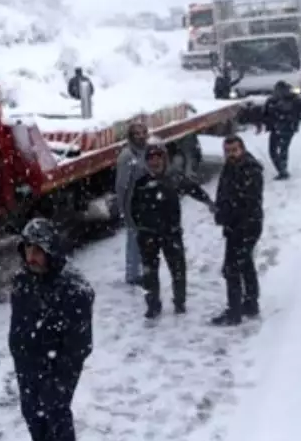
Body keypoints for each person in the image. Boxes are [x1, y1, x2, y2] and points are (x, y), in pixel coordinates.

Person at [9, 218, 95, 441]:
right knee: (31, 411)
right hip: (27, 362)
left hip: (59, 366)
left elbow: (80, 343)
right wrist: (18, 352)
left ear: (50, 251)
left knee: (57, 415)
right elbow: (19, 322)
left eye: (38, 251)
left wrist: (60, 375)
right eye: (27, 249)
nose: (31, 257)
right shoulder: (22, 280)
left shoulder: (74, 288)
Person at [130, 140, 216, 318]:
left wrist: (208, 202)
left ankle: (180, 302)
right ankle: (153, 305)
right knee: (149, 274)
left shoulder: (174, 177)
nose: (155, 162)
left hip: (171, 233)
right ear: (147, 162)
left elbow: (194, 189)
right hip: (148, 235)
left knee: (178, 269)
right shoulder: (141, 182)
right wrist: (140, 227)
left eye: (158, 158)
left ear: (164, 160)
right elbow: (133, 207)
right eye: (151, 159)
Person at [212, 135, 265, 326]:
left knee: (232, 268)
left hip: (245, 226)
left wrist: (228, 216)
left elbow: (246, 202)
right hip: (237, 225)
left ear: (242, 149)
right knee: (245, 263)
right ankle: (250, 303)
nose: (231, 154)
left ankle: (234, 312)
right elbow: (224, 193)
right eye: (227, 151)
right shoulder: (231, 167)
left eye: (234, 150)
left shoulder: (250, 169)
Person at [113, 119, 149, 285]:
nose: (141, 136)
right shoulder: (127, 156)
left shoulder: (145, 151)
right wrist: (124, 209)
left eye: (143, 133)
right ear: (131, 137)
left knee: (143, 239)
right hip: (132, 205)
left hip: (144, 204)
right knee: (134, 240)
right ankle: (132, 275)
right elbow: (122, 186)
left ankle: (140, 271)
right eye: (137, 134)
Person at [255, 80, 301, 179]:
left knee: (274, 150)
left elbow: (264, 115)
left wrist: (265, 122)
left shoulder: (272, 100)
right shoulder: (294, 98)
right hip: (287, 129)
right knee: (283, 149)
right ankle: (283, 170)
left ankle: (282, 170)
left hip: (277, 128)